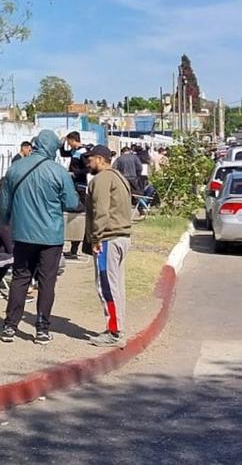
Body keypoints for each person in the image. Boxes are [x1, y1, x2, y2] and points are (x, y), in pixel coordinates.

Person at [0, 129, 80, 345]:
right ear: (52, 147)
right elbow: (71, 203)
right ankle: (42, 328)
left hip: (23, 234)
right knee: (47, 281)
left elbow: (4, 202)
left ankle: (10, 326)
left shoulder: (15, 168)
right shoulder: (58, 171)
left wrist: (6, 221)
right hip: (50, 237)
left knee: (20, 279)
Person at [82, 146, 133, 348]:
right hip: (121, 237)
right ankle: (117, 326)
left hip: (107, 240)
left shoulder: (102, 179)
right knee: (116, 286)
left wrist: (95, 239)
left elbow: (101, 212)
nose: (88, 163)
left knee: (106, 287)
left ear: (101, 159)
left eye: (91, 159)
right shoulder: (119, 177)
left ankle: (114, 332)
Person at [60, 131, 89, 260]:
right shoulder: (74, 151)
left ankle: (75, 248)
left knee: (79, 215)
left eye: (68, 142)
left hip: (80, 186)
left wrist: (75, 173)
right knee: (70, 214)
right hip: (73, 185)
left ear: (73, 140)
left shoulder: (83, 152)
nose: (68, 144)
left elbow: (87, 169)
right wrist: (61, 144)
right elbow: (63, 153)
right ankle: (72, 248)